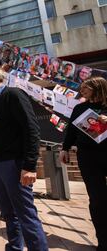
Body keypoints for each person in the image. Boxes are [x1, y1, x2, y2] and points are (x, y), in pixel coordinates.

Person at [0, 65, 48, 251]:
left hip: (15, 165)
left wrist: (30, 165)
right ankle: (15, 247)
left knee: (26, 214)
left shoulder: (14, 94)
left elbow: (31, 128)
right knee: (8, 213)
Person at [60, 77, 107, 251]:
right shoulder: (80, 108)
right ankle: (103, 241)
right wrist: (64, 149)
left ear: (97, 87)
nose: (82, 91)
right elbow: (71, 130)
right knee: (97, 200)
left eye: (85, 87)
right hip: (88, 157)